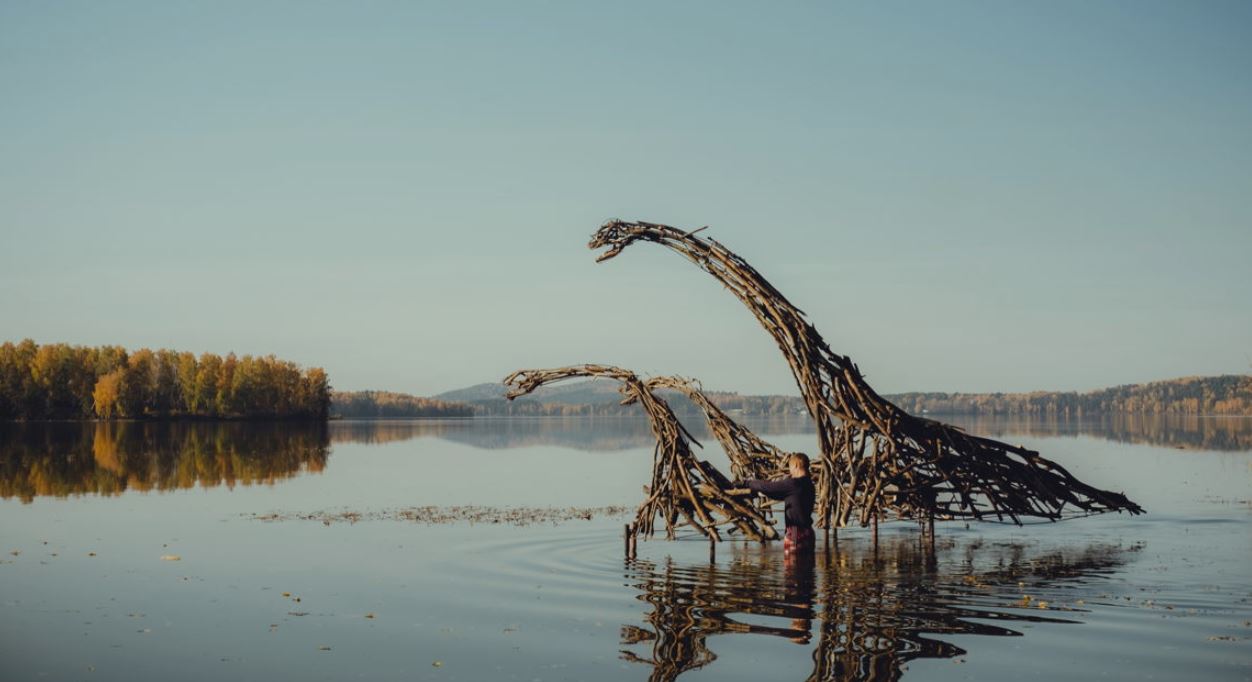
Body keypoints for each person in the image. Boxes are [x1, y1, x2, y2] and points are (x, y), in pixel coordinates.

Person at [743, 453, 815, 557]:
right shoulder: (808, 484)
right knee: (807, 569)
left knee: (792, 568)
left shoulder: (794, 483)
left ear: (795, 465)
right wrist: (761, 493)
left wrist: (747, 483)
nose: (790, 472)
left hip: (796, 533)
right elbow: (782, 495)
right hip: (808, 532)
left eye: (790, 468)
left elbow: (767, 486)